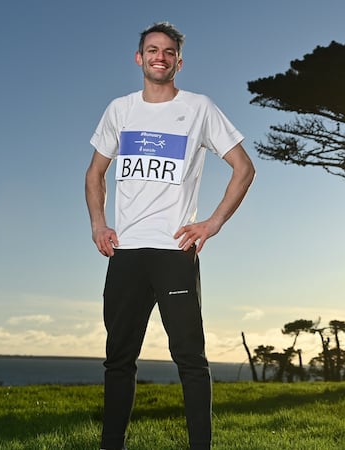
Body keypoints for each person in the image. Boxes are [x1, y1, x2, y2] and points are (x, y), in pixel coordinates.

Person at [84, 21, 255, 450]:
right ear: (139, 58)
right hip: (125, 254)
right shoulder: (119, 110)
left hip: (173, 252)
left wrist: (212, 223)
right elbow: (95, 172)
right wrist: (99, 225)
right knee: (118, 360)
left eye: (168, 51)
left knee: (191, 360)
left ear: (179, 60)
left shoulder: (199, 108)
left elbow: (244, 167)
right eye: (152, 50)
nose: (160, 56)